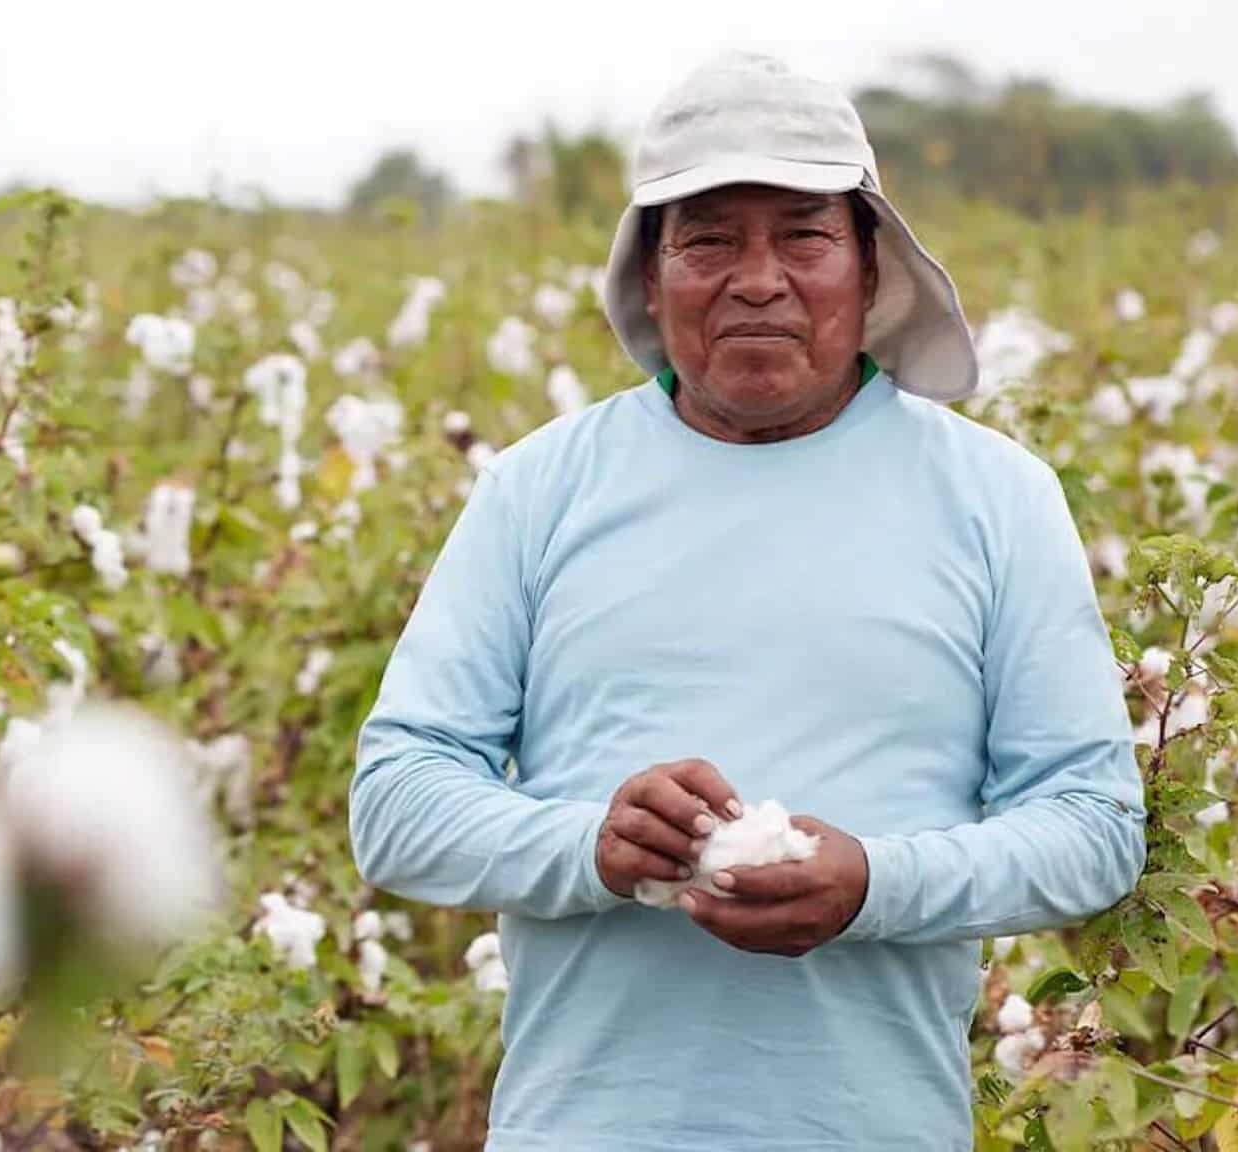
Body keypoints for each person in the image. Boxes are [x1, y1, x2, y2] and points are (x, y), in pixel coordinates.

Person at [348, 53, 1145, 1150]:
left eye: (804, 236)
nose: (757, 279)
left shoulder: (994, 498)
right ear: (649, 276)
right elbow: (397, 804)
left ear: (869, 267)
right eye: (709, 240)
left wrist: (873, 884)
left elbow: (1091, 827)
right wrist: (595, 848)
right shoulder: (537, 490)